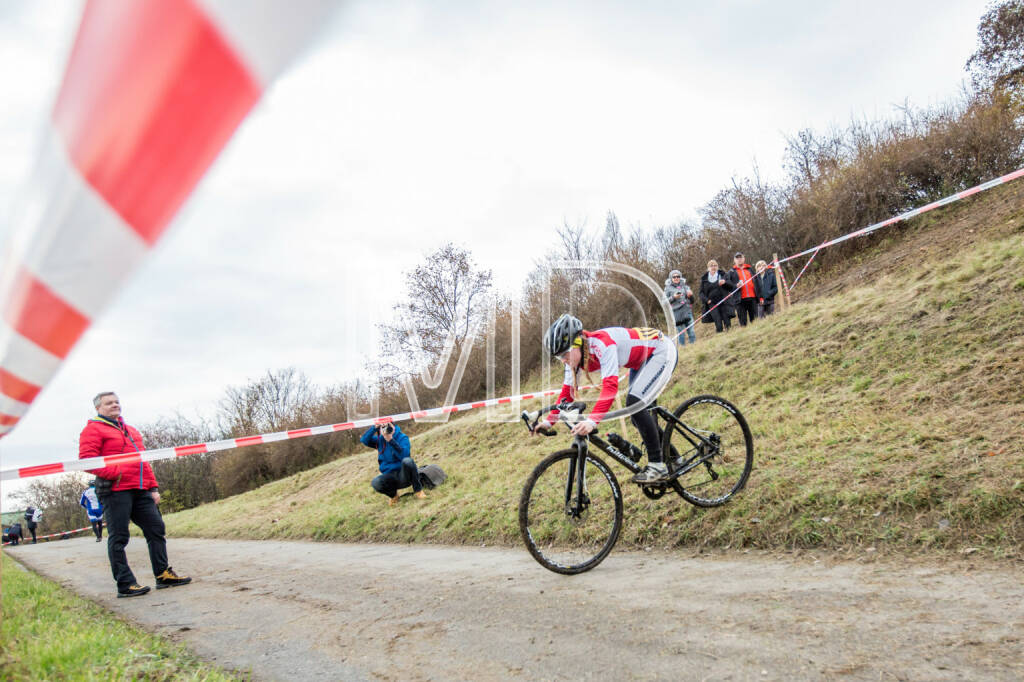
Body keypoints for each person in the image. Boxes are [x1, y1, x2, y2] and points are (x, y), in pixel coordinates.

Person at [535, 314, 678, 484]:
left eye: (565, 354)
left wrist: (592, 421)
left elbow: (610, 388)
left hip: (661, 351)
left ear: (578, 343)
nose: (564, 360)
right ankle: (675, 459)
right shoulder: (574, 361)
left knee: (635, 405)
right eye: (559, 358)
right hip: (640, 361)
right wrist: (548, 422)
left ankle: (657, 467)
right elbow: (567, 394)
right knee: (637, 417)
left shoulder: (603, 344)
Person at [79, 392, 191, 598]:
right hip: (115, 491)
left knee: (156, 528)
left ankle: (163, 574)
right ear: (98, 408)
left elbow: (143, 461)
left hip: (140, 490)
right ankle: (125, 583)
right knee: (119, 536)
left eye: (116, 402)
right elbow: (87, 460)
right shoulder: (92, 429)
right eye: (109, 403)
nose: (115, 405)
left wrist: (153, 487)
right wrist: (116, 473)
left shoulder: (130, 431)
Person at [362, 422, 425, 505]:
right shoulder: (380, 440)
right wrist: (374, 428)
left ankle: (418, 491)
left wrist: (391, 440)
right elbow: (364, 440)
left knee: (408, 461)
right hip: (390, 477)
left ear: (394, 426)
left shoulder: (402, 437)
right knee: (375, 482)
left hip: (404, 475)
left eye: (388, 426)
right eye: (383, 427)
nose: (386, 429)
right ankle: (394, 496)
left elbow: (405, 455)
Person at [699, 260, 736, 333]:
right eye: (711, 266)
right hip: (712, 303)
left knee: (727, 320)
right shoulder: (704, 279)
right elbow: (701, 293)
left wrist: (725, 283)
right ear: (708, 268)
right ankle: (720, 335)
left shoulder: (723, 275)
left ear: (717, 267)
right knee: (718, 322)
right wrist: (707, 300)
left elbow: (731, 287)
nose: (713, 267)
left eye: (715, 265)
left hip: (724, 301)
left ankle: (730, 334)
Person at [664, 270, 696, 346]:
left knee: (691, 332)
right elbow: (664, 303)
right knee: (681, 334)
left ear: (680, 277)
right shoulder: (667, 289)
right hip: (677, 314)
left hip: (687, 312)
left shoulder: (685, 286)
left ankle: (694, 347)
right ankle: (683, 349)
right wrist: (673, 297)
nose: (676, 278)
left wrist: (690, 296)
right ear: (671, 278)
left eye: (678, 276)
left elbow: (692, 301)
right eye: (674, 277)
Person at [730, 252, 758, 327]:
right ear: (734, 260)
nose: (739, 259)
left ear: (744, 259)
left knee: (755, 320)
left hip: (752, 298)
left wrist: (760, 296)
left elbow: (757, 283)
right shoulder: (731, 272)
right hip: (740, 300)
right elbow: (728, 286)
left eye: (741, 257)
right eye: (737, 258)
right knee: (743, 322)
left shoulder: (750, 269)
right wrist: (736, 286)